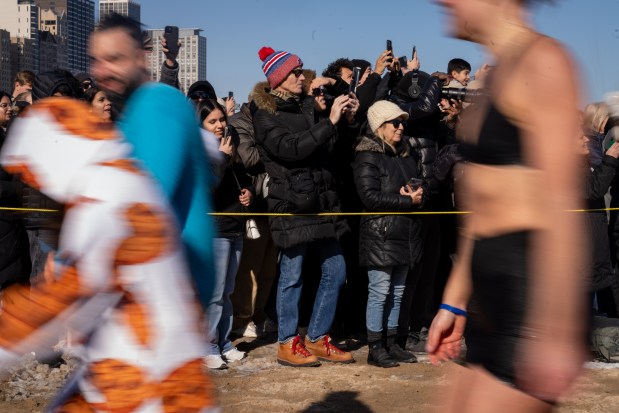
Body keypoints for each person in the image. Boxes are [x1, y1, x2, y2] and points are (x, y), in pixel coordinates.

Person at [0, 98, 217, 412]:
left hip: (147, 379)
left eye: (35, 178)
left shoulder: (103, 197)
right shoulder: (121, 177)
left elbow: (62, 299)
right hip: (142, 360)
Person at [427, 0, 587, 411]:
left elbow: (561, 206)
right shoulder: (497, 78)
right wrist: (454, 300)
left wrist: (557, 330)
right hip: (488, 300)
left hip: (527, 303)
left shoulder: (544, 62)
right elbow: (481, 211)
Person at [89, 13, 216, 314]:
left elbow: (144, 199)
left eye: (113, 58)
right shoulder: (133, 112)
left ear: (140, 58)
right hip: (148, 293)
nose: (102, 70)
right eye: (96, 60)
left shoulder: (157, 103)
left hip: (165, 299)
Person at [253, 46, 354, 367]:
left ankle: (318, 337)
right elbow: (292, 149)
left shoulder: (308, 106)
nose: (302, 76)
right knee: (292, 275)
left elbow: (329, 146)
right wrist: (329, 122)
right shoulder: (265, 114)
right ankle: (286, 341)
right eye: (295, 72)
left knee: (336, 271)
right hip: (291, 204)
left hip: (322, 202)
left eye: (302, 70)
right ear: (279, 79)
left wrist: (334, 96)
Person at [353, 100, 425, 368]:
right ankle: (375, 347)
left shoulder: (406, 154)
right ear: (379, 127)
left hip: (405, 231)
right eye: (395, 122)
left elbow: (411, 189)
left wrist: (416, 194)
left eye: (402, 122)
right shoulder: (367, 155)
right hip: (380, 233)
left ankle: (393, 343)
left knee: (398, 291)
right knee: (380, 291)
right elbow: (369, 197)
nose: (400, 127)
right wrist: (407, 201)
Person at [198, 99, 254, 369]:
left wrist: (247, 192)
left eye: (222, 119)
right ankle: (207, 346)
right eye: (213, 121)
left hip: (235, 227)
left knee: (228, 291)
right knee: (214, 293)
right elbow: (205, 190)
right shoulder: (199, 153)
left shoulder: (229, 146)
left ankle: (224, 342)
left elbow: (242, 177)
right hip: (214, 231)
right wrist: (219, 158)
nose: (220, 125)